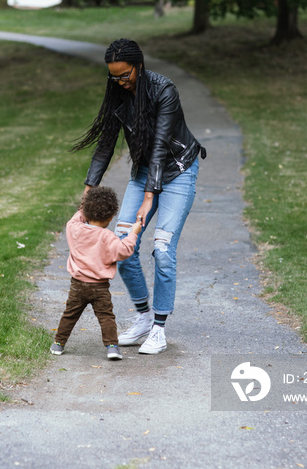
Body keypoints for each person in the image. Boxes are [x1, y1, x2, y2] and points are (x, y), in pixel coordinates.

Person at [71, 38, 206, 355]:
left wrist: (149, 197)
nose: (120, 81)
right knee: (122, 245)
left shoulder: (164, 90)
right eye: (114, 77)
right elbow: (105, 147)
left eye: (125, 75)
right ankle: (144, 317)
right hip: (145, 171)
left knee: (161, 248)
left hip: (178, 170)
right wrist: (87, 192)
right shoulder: (118, 96)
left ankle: (159, 329)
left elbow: (160, 148)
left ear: (139, 66)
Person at [50, 186, 142, 360]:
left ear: (86, 212)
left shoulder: (74, 228)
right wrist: (133, 233)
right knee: (106, 316)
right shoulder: (108, 237)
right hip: (100, 287)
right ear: (110, 217)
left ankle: (58, 344)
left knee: (70, 314)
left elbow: (76, 218)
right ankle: (112, 347)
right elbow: (123, 250)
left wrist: (84, 208)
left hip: (77, 285)